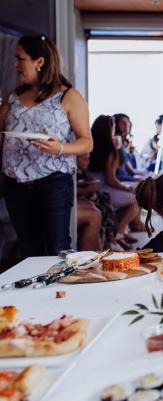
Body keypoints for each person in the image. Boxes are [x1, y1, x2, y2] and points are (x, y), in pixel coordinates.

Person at [0, 35, 92, 257]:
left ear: (39, 62)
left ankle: (61, 292)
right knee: (28, 250)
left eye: (20, 59)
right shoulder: (13, 98)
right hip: (15, 186)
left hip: (53, 185)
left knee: (57, 248)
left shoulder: (68, 97)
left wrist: (59, 148)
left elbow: (87, 142)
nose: (16, 65)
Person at [88, 114, 139, 249]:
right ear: (110, 129)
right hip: (102, 190)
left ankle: (116, 233)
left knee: (128, 200)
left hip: (90, 187)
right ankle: (119, 232)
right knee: (136, 198)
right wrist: (127, 188)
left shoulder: (90, 146)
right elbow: (111, 180)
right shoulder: (109, 149)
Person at [113, 113, 146, 181]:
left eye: (127, 122)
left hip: (126, 176)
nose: (127, 125)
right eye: (123, 122)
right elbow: (131, 171)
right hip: (121, 179)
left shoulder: (123, 142)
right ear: (115, 124)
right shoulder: (116, 140)